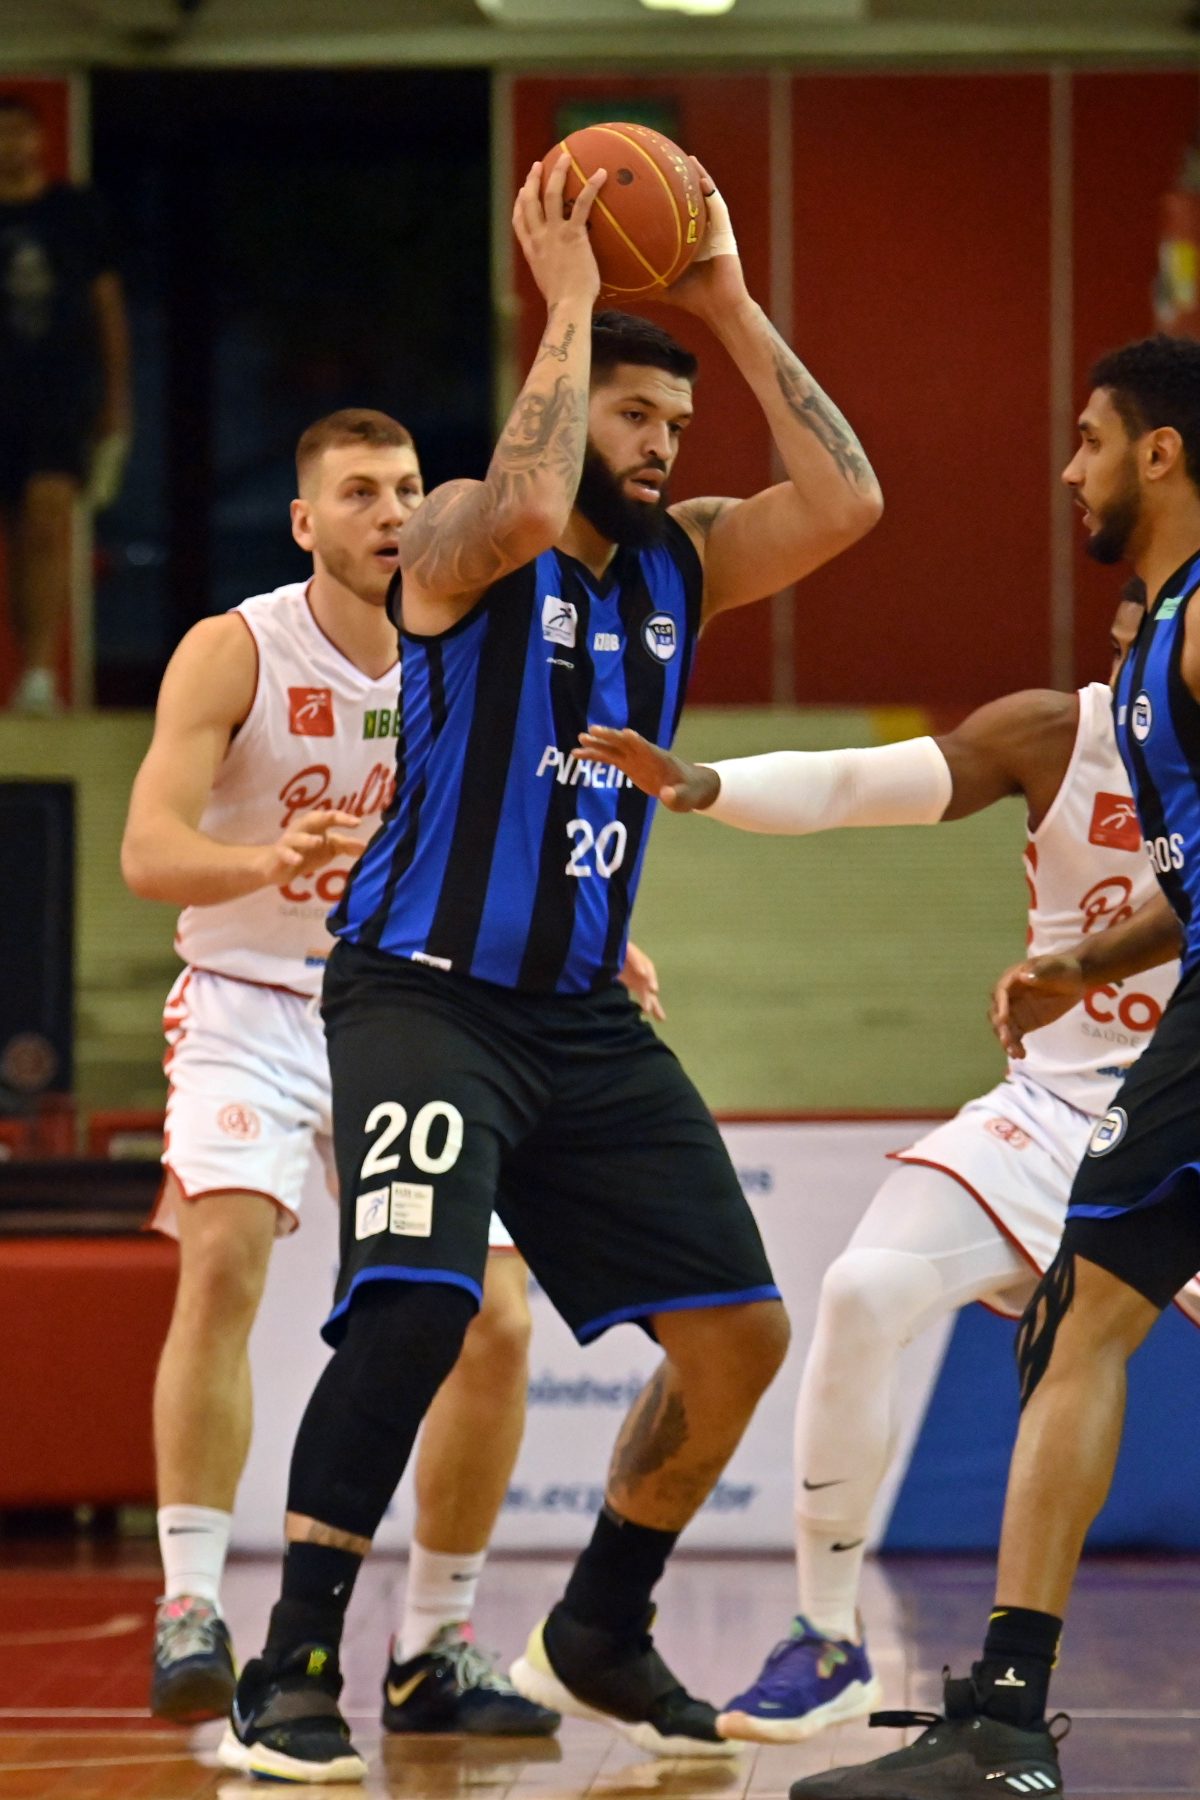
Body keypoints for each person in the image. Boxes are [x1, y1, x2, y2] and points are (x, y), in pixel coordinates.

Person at [216, 153, 882, 1785]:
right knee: (419, 1308)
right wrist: (572, 299)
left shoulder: (683, 561)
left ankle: (597, 1625)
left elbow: (850, 501)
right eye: (637, 417)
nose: (662, 446)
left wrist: (726, 302)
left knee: (739, 1333)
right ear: (573, 400)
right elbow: (523, 506)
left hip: (583, 1016)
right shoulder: (457, 536)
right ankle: (291, 1665)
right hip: (422, 990)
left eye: (677, 426)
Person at [578, 580, 1200, 1752]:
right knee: (864, 1289)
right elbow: (861, 782)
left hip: (1182, 1119)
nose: (1145, 678)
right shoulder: (1054, 733)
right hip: (1052, 1109)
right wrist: (708, 784)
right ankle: (827, 1640)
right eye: (1133, 648)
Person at [124, 409, 660, 1737]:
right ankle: (192, 1603)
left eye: (409, 488)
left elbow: (527, 826)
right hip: (252, 998)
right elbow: (146, 852)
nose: (390, 512)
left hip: (415, 1004)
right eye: (358, 491)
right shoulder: (237, 648)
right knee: (223, 1254)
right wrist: (261, 862)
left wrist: (602, 937)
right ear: (303, 521)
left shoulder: (470, 645)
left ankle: (433, 1647)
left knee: (496, 1321)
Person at [772, 333, 1200, 1798]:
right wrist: (1088, 961)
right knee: (1065, 1321)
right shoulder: (1122, 685)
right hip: (1097, 1072)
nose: (1069, 467)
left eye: (1090, 438)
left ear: (1159, 454)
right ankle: (996, 1716)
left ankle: (1007, 1724)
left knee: (1079, 1329)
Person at [0, 92, 131, 712]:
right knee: (14, 534)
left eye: (21, 132)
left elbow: (107, 307)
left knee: (47, 522)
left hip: (58, 395)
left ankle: (37, 673)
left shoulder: (74, 212)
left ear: (40, 140)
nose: (12, 145)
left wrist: (116, 400)